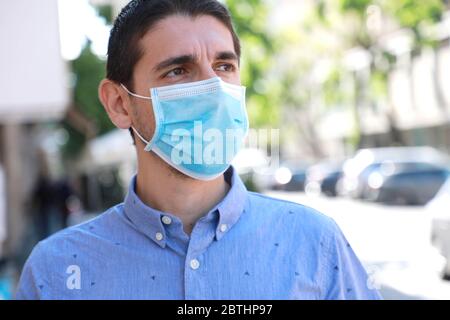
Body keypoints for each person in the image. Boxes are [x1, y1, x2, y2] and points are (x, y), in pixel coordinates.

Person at [16, 0, 382, 299]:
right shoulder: (57, 271)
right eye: (178, 71)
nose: (212, 87)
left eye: (224, 66)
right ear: (119, 104)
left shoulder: (314, 241)